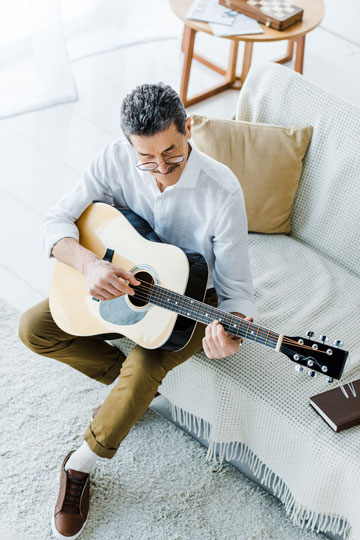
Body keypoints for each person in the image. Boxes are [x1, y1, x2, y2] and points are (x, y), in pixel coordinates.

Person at [19, 82, 256, 540]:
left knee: (148, 358)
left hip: (190, 297)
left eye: (171, 154)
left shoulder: (222, 191)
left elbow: (238, 295)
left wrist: (232, 333)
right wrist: (88, 265)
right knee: (34, 328)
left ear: (187, 129)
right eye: (146, 158)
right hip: (119, 279)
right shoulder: (113, 159)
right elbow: (56, 221)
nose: (160, 169)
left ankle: (80, 464)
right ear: (129, 144)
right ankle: (133, 394)